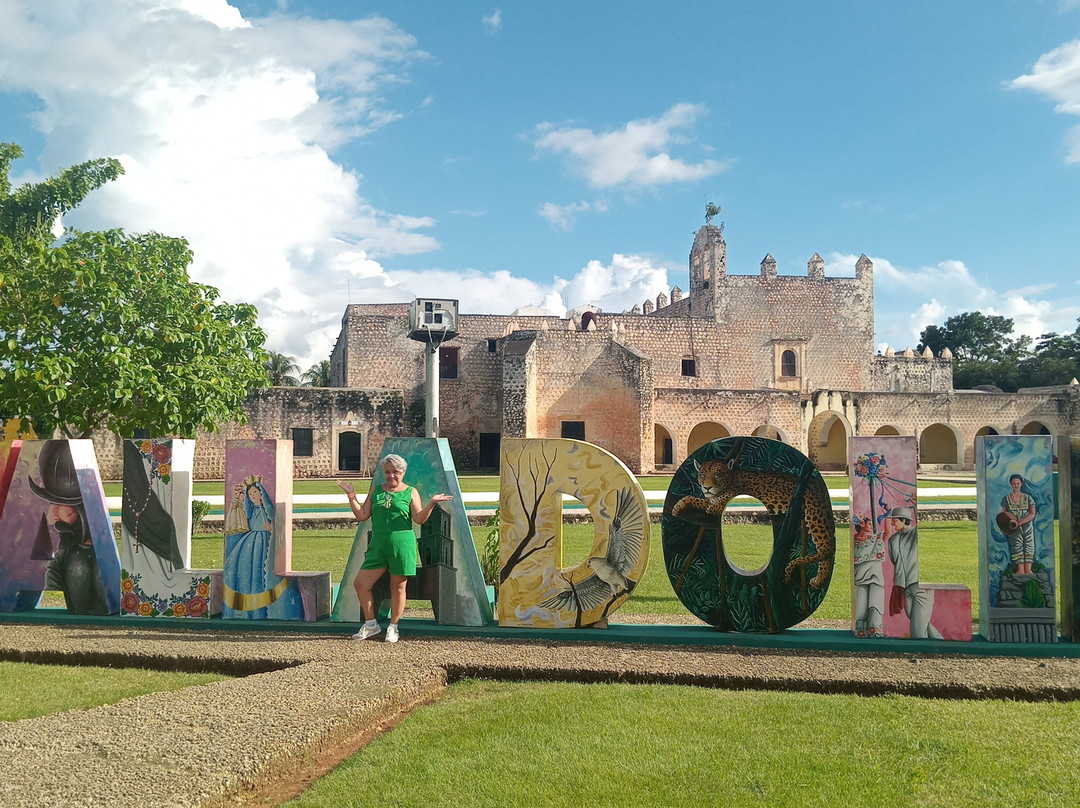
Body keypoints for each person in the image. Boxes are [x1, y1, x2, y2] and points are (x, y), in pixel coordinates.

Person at [338, 454, 451, 643]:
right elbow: (362, 515)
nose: (391, 476)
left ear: (403, 472)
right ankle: (371, 624)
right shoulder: (376, 491)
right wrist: (351, 495)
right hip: (378, 546)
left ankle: (393, 627)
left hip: (402, 544)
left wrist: (431, 503)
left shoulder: (411, 492)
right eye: (388, 472)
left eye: (396, 472)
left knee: (397, 587)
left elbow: (418, 519)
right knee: (361, 584)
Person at [885, 506, 942, 640]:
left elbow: (920, 526)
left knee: (917, 629)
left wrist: (916, 509)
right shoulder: (893, 541)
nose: (893, 523)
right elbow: (894, 560)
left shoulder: (914, 534)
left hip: (920, 586)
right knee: (921, 622)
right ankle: (939, 640)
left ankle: (921, 652)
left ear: (904, 520)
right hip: (904, 587)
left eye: (895, 520)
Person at [999, 473, 1036, 575]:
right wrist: (1004, 526)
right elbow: (1003, 515)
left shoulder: (1028, 498)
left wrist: (1020, 522)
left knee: (1029, 544)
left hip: (1027, 526)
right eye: (1014, 483)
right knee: (1016, 545)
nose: (1016, 485)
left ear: (1021, 484)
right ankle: (1020, 569)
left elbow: (1032, 513)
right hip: (1013, 527)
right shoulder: (1006, 499)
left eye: (1018, 483)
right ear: (1011, 484)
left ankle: (1028, 569)